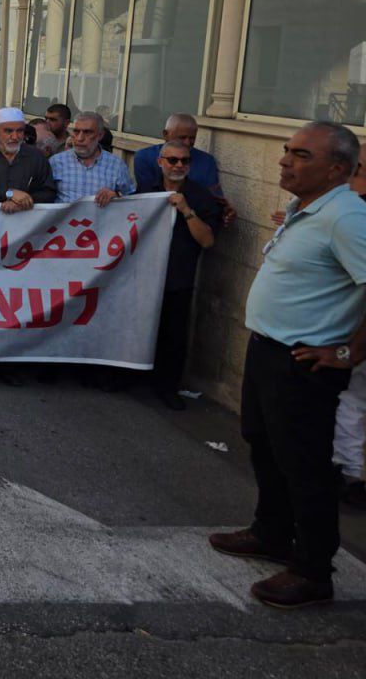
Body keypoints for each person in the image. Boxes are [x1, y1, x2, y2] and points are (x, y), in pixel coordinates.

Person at [209, 121, 366, 609]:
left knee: (305, 464)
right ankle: (272, 532)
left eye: (300, 155)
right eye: (286, 150)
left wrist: (349, 352)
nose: (284, 160)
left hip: (304, 363)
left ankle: (313, 571)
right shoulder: (306, 208)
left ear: (336, 169)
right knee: (264, 443)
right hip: (268, 350)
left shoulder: (347, 217)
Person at [136, 141, 220, 409]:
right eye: (172, 160)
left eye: (185, 160)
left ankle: (168, 387)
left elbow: (207, 240)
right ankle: (130, 377)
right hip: (143, 277)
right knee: (138, 327)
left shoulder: (201, 197)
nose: (179, 165)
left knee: (174, 335)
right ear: (160, 162)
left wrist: (186, 211)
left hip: (178, 277)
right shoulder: (146, 192)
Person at [133, 113, 235, 225]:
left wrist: (224, 212)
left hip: (196, 222)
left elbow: (214, 200)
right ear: (166, 135)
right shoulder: (144, 158)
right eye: (182, 137)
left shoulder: (206, 161)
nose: (187, 143)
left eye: (192, 138)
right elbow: (147, 197)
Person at [49, 111, 135, 206]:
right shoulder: (56, 162)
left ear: (100, 135)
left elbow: (131, 199)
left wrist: (116, 195)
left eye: (87, 132)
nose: (80, 138)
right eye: (76, 131)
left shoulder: (116, 165)